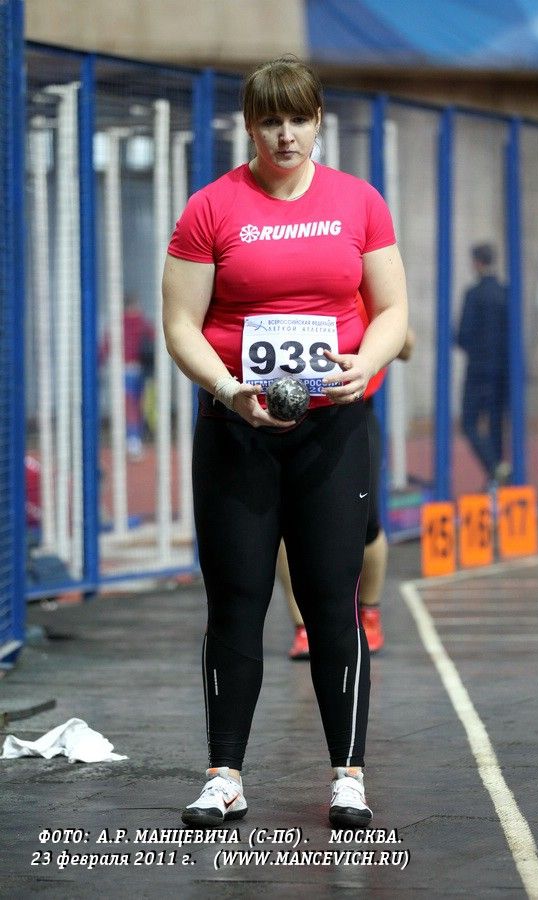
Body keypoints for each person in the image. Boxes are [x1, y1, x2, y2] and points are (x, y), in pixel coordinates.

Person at [162, 56, 408, 829]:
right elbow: (180, 325)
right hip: (238, 429)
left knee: (332, 598)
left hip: (332, 431)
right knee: (237, 599)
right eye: (270, 121)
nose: (285, 134)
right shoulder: (210, 209)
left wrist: (365, 362)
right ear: (250, 127)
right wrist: (228, 388)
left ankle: (349, 777)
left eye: (298, 119)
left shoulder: (358, 202)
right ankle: (224, 776)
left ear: (317, 121)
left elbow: (393, 309)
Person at [285, 323, 416, 660]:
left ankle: (369, 613)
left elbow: (406, 346)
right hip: (282, 413)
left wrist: (375, 330)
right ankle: (303, 626)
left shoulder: (360, 292)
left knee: (366, 519)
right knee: (286, 522)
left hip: (351, 413)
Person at [456, 243, 510, 487]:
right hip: (502, 371)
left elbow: (463, 336)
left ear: (477, 262)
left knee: (469, 423)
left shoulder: (473, 294)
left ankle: (495, 468)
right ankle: (497, 479)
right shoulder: (505, 292)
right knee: (496, 424)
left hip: (477, 371)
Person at [100, 293, 155, 459]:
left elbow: (106, 345)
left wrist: (100, 362)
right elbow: (154, 339)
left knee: (130, 406)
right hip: (139, 369)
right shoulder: (142, 322)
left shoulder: (118, 324)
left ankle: (132, 439)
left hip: (123, 369)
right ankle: (134, 439)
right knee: (137, 405)